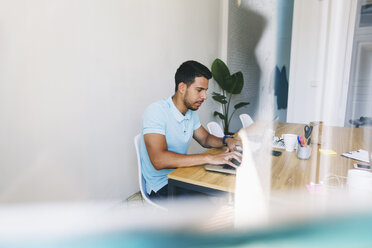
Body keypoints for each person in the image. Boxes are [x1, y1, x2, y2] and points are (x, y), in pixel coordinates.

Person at [139, 60, 242, 200]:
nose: (204, 96)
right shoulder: (156, 111)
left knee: (226, 188)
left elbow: (205, 139)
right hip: (162, 185)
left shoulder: (190, 112)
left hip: (181, 174)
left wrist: (226, 140)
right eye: (199, 90)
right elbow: (159, 160)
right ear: (182, 87)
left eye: (205, 91)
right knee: (209, 205)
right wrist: (209, 157)